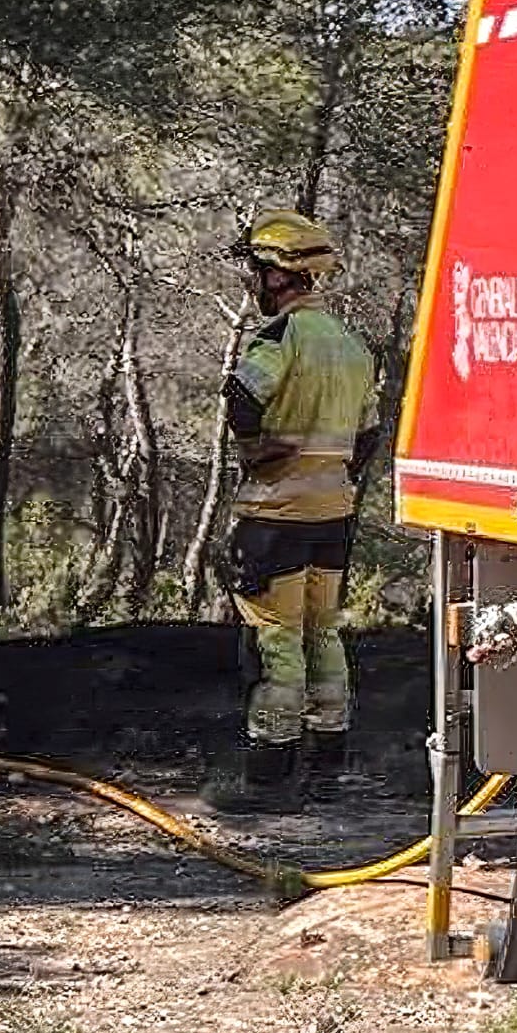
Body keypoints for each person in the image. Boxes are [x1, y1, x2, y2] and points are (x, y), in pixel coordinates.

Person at [203, 209, 380, 814]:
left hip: (275, 516)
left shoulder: (280, 338)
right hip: (333, 516)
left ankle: (268, 779)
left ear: (278, 275)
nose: (252, 284)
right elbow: (368, 434)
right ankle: (327, 769)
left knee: (272, 640)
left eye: (256, 272)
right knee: (323, 633)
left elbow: (241, 398)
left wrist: (259, 449)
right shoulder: (351, 346)